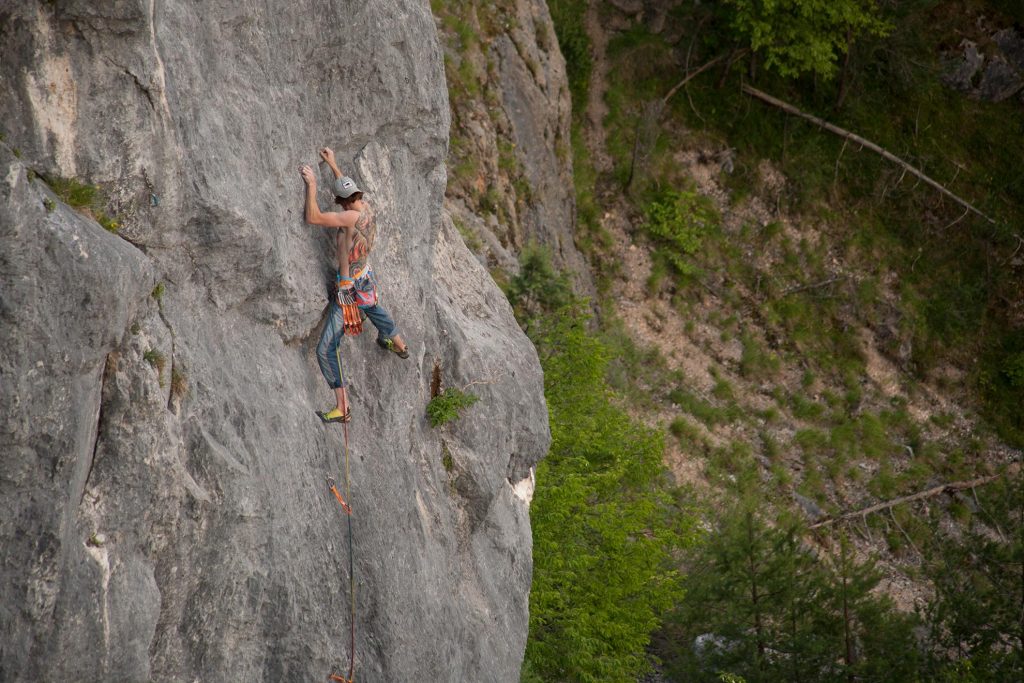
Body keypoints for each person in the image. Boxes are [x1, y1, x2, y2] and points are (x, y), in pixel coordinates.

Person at [300, 147, 409, 424]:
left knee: (326, 348)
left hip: (349, 287)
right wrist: (334, 165)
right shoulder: (367, 207)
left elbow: (313, 217)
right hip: (365, 275)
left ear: (342, 201)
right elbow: (348, 189)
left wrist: (312, 185)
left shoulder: (349, 217)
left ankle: (341, 407)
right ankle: (399, 344)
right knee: (372, 307)